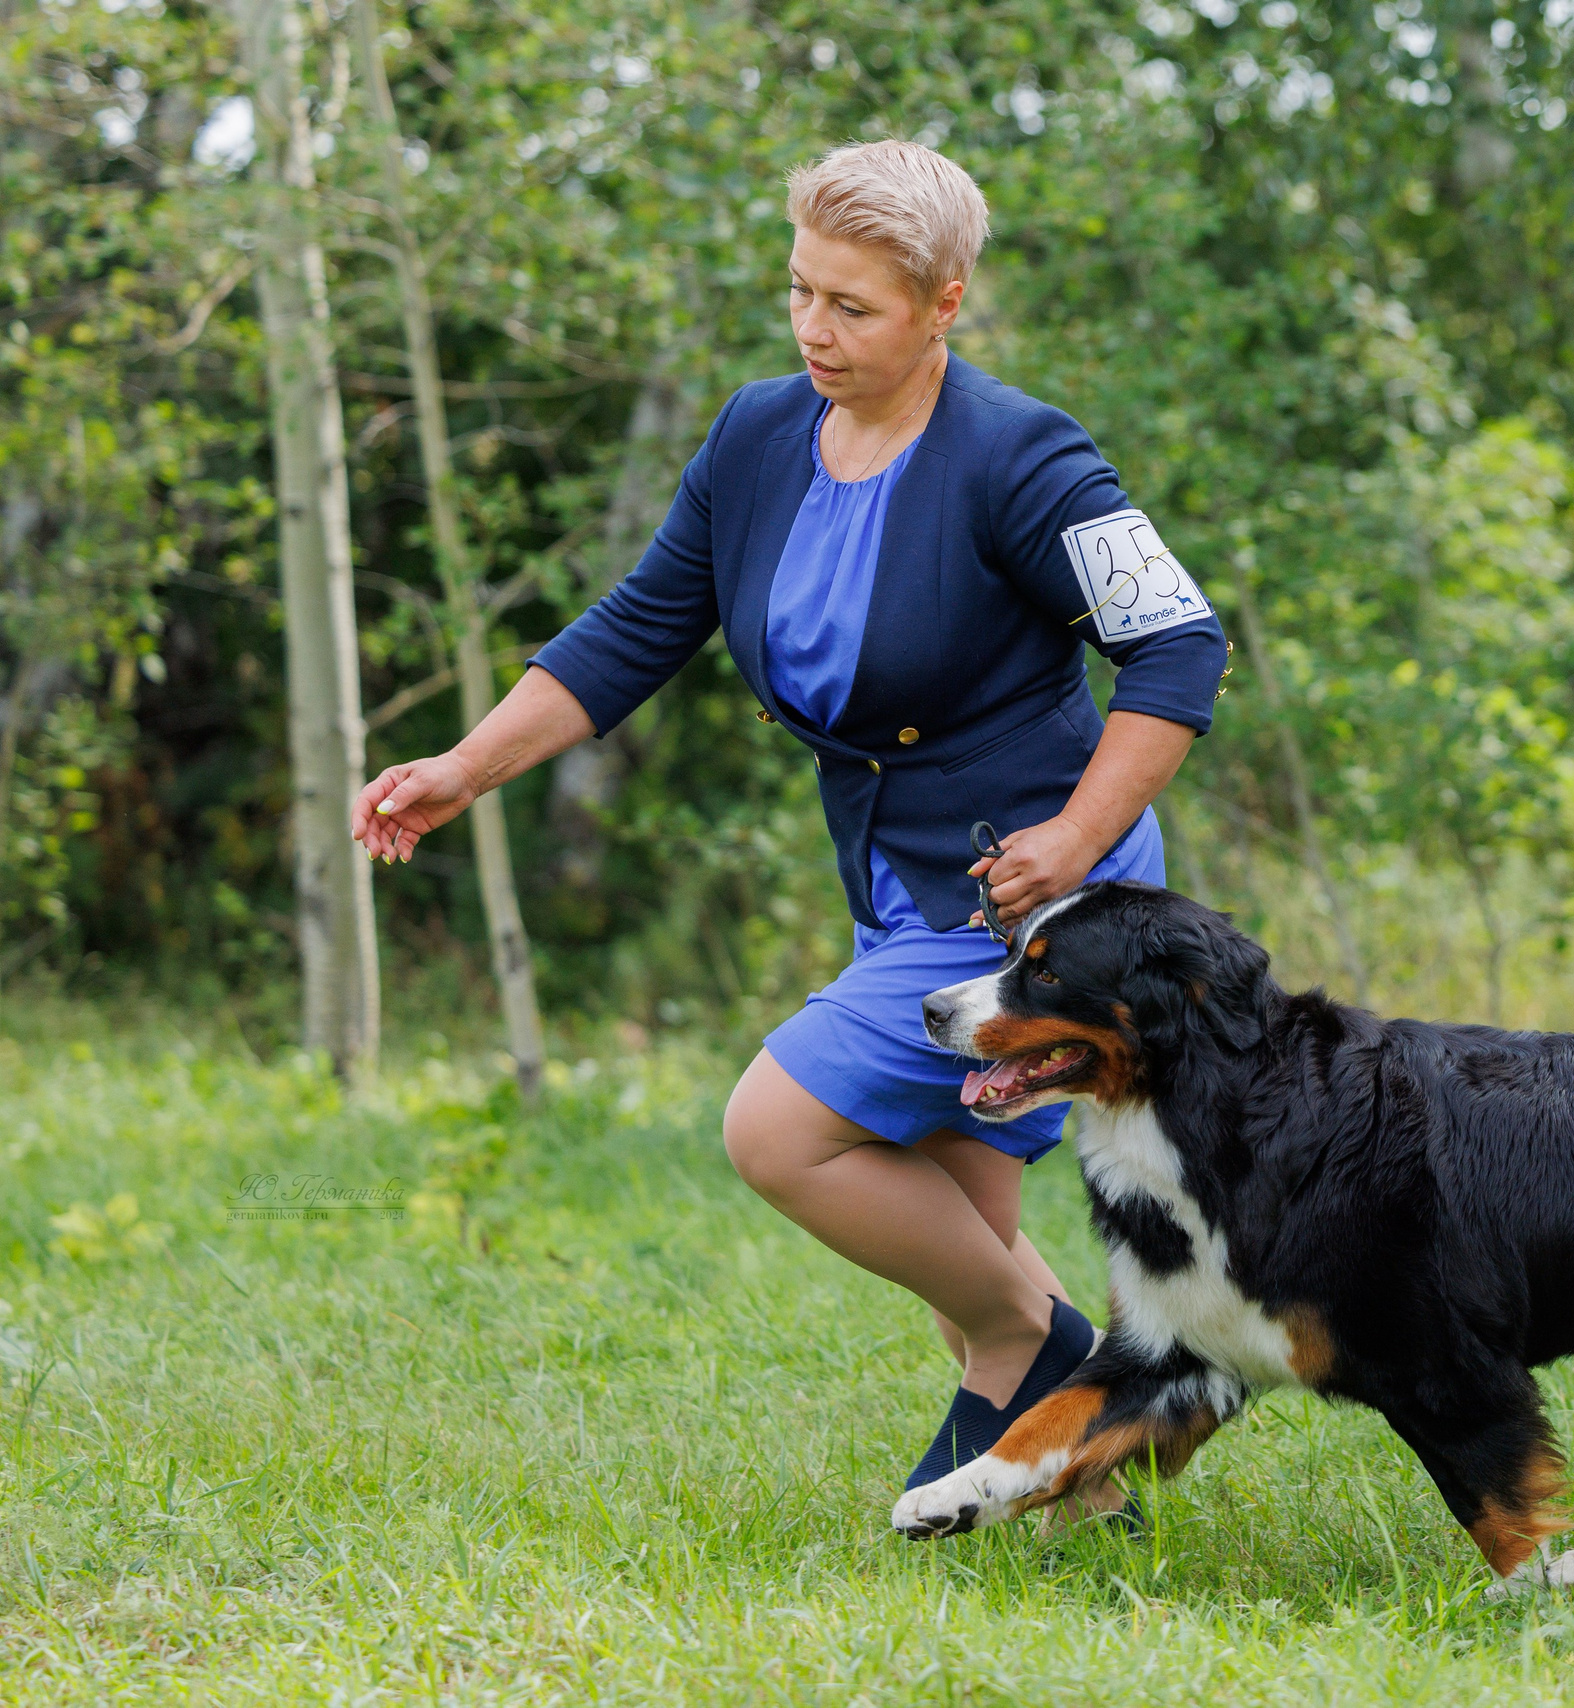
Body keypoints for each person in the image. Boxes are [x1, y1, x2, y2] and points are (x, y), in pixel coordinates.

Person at [350, 140, 1226, 1517]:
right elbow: (639, 625)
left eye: (855, 307)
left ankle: (1058, 1355)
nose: (816, 331)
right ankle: (1087, 1496)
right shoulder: (759, 435)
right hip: (896, 872)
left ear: (945, 305)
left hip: (1040, 898)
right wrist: (471, 764)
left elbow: (1178, 646)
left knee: (780, 1128)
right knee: (963, 1222)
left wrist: (1076, 837)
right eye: (801, 292)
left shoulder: (1025, 457)